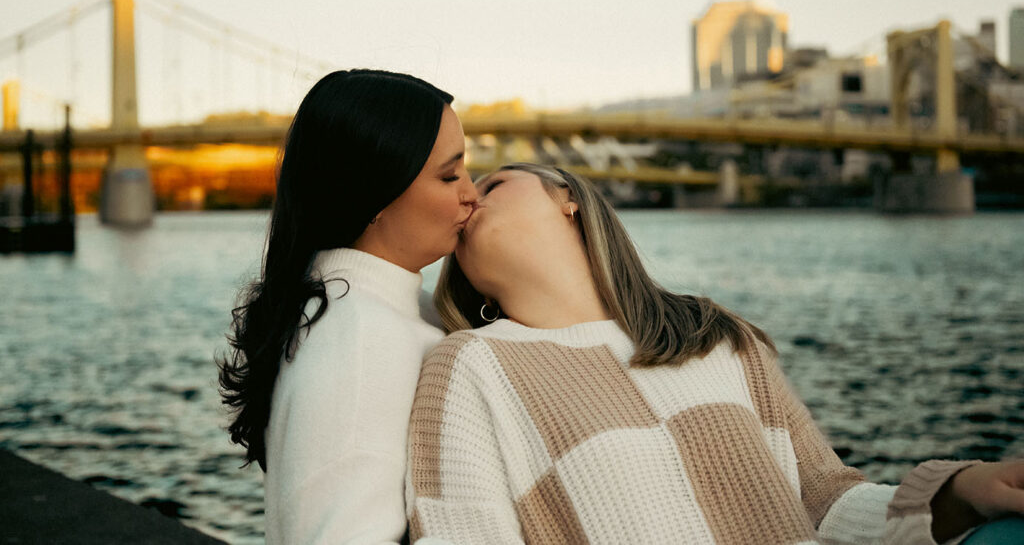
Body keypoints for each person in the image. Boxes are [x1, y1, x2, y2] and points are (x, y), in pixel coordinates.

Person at [407, 162, 1024, 544]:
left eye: (494, 182)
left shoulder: (712, 333)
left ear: (567, 196)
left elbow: (825, 500)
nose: (468, 198)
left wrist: (961, 489)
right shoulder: (469, 365)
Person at [218, 69, 479, 544]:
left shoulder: (366, 308)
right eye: (449, 175)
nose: (471, 194)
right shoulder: (360, 339)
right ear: (376, 194)